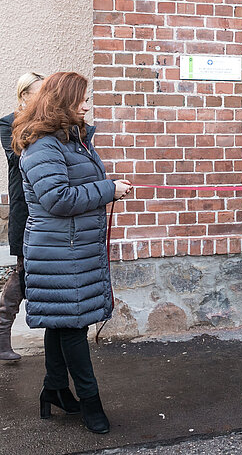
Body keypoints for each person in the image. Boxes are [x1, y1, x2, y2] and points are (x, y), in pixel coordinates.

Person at [12, 72, 131, 433]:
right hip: (59, 251)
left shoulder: (72, 140)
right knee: (73, 326)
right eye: (81, 99)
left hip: (73, 248)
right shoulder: (43, 146)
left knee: (61, 321)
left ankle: (55, 390)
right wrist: (109, 189)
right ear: (62, 102)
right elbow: (57, 199)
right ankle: (91, 403)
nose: (87, 104)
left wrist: (106, 187)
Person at [0, 72, 43, 361]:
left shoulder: (47, 121)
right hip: (24, 208)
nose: (44, 98)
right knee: (24, 270)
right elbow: (18, 154)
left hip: (47, 205)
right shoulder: (8, 123)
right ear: (24, 94)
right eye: (38, 92)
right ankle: (2, 334)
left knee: (31, 271)